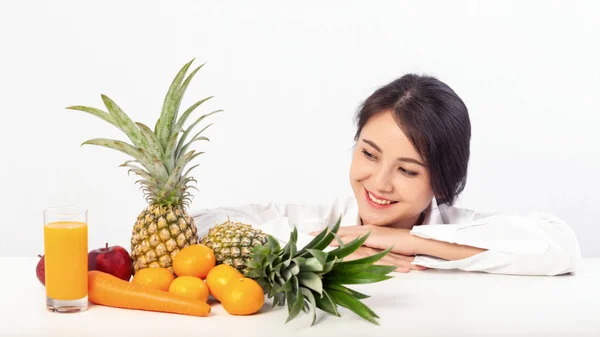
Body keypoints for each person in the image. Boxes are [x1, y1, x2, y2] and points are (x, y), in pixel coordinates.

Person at [192, 74, 582, 276]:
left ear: (443, 178)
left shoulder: (466, 230)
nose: (379, 182)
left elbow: (561, 248)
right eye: (368, 154)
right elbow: (198, 228)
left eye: (407, 170)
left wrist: (405, 241)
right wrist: (327, 249)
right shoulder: (318, 223)